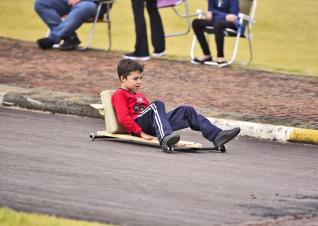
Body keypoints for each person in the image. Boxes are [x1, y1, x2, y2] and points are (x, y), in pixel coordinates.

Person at [112, 59, 241, 151]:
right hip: (138, 125)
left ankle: (216, 135)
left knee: (187, 110)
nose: (139, 82)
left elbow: (153, 115)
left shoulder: (140, 96)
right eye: (135, 79)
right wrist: (140, 133)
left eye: (141, 78)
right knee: (157, 104)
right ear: (123, 78)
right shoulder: (119, 94)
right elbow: (123, 118)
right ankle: (165, 137)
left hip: (152, 125)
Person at [34, 0, 98, 50]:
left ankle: (53, 38)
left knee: (85, 6)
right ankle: (70, 37)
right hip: (71, 2)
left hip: (94, 4)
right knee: (41, 2)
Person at [191, 0, 239, 67]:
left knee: (218, 24)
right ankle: (207, 54)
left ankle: (220, 57)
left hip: (231, 24)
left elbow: (233, 17)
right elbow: (210, 14)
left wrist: (215, 14)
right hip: (217, 21)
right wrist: (225, 16)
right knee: (196, 23)